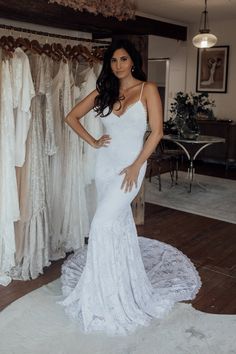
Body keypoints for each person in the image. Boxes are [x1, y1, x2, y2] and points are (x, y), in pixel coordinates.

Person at [59, 39, 201, 336]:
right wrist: (93, 141)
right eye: (113, 61)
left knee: (100, 224)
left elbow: (157, 132)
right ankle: (117, 283)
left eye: (123, 59)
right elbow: (71, 117)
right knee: (119, 224)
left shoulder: (148, 89)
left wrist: (137, 166)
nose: (118, 65)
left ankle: (106, 292)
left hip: (131, 168)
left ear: (132, 61)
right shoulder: (105, 91)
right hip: (105, 167)